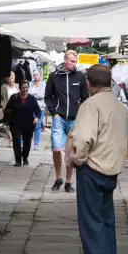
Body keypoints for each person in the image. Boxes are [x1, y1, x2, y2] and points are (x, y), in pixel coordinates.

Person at [65, 65, 128, 254]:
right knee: (106, 220)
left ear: (89, 84)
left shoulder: (91, 105)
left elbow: (83, 138)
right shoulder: (119, 106)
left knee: (91, 221)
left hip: (92, 167)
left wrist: (77, 159)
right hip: (112, 169)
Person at [45, 50, 89, 193]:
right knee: (57, 147)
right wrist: (54, 112)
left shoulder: (80, 76)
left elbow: (85, 97)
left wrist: (80, 114)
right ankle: (58, 177)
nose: (74, 63)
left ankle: (68, 182)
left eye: (75, 61)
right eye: (72, 61)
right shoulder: (54, 77)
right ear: (65, 60)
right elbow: (48, 96)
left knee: (70, 151)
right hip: (60, 117)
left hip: (73, 119)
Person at [4, 81, 42, 167]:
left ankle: (25, 157)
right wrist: (8, 118)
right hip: (16, 123)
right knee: (16, 141)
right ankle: (18, 161)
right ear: (20, 88)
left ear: (28, 88)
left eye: (26, 87)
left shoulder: (32, 99)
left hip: (28, 124)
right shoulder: (14, 97)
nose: (24, 89)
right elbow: (7, 109)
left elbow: (38, 111)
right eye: (23, 87)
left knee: (27, 142)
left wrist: (36, 118)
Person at [29, 70, 46, 150]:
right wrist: (34, 96)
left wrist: (32, 96)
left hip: (39, 108)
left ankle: (36, 144)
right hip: (30, 107)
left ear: (40, 76)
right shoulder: (30, 83)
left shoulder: (43, 84)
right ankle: (25, 140)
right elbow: (28, 94)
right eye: (34, 75)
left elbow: (41, 95)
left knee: (38, 126)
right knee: (29, 124)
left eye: (37, 75)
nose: (35, 76)